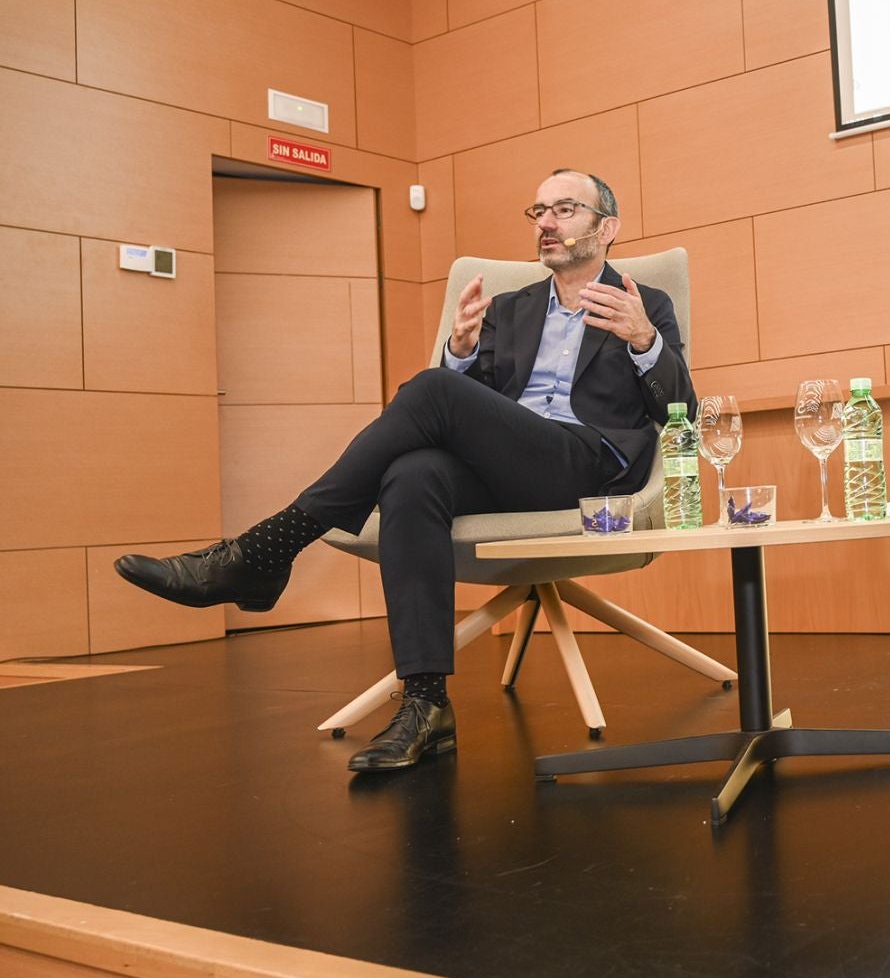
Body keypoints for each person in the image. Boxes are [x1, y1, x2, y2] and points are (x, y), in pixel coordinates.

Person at [117, 170, 694, 772]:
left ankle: (265, 552)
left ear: (607, 228)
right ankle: (426, 706)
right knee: (413, 474)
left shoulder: (644, 302)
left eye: (565, 209)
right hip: (507, 464)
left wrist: (645, 340)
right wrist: (465, 353)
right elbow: (478, 410)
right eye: (539, 211)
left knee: (433, 390)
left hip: (583, 466)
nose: (546, 223)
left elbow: (681, 410)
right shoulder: (510, 308)